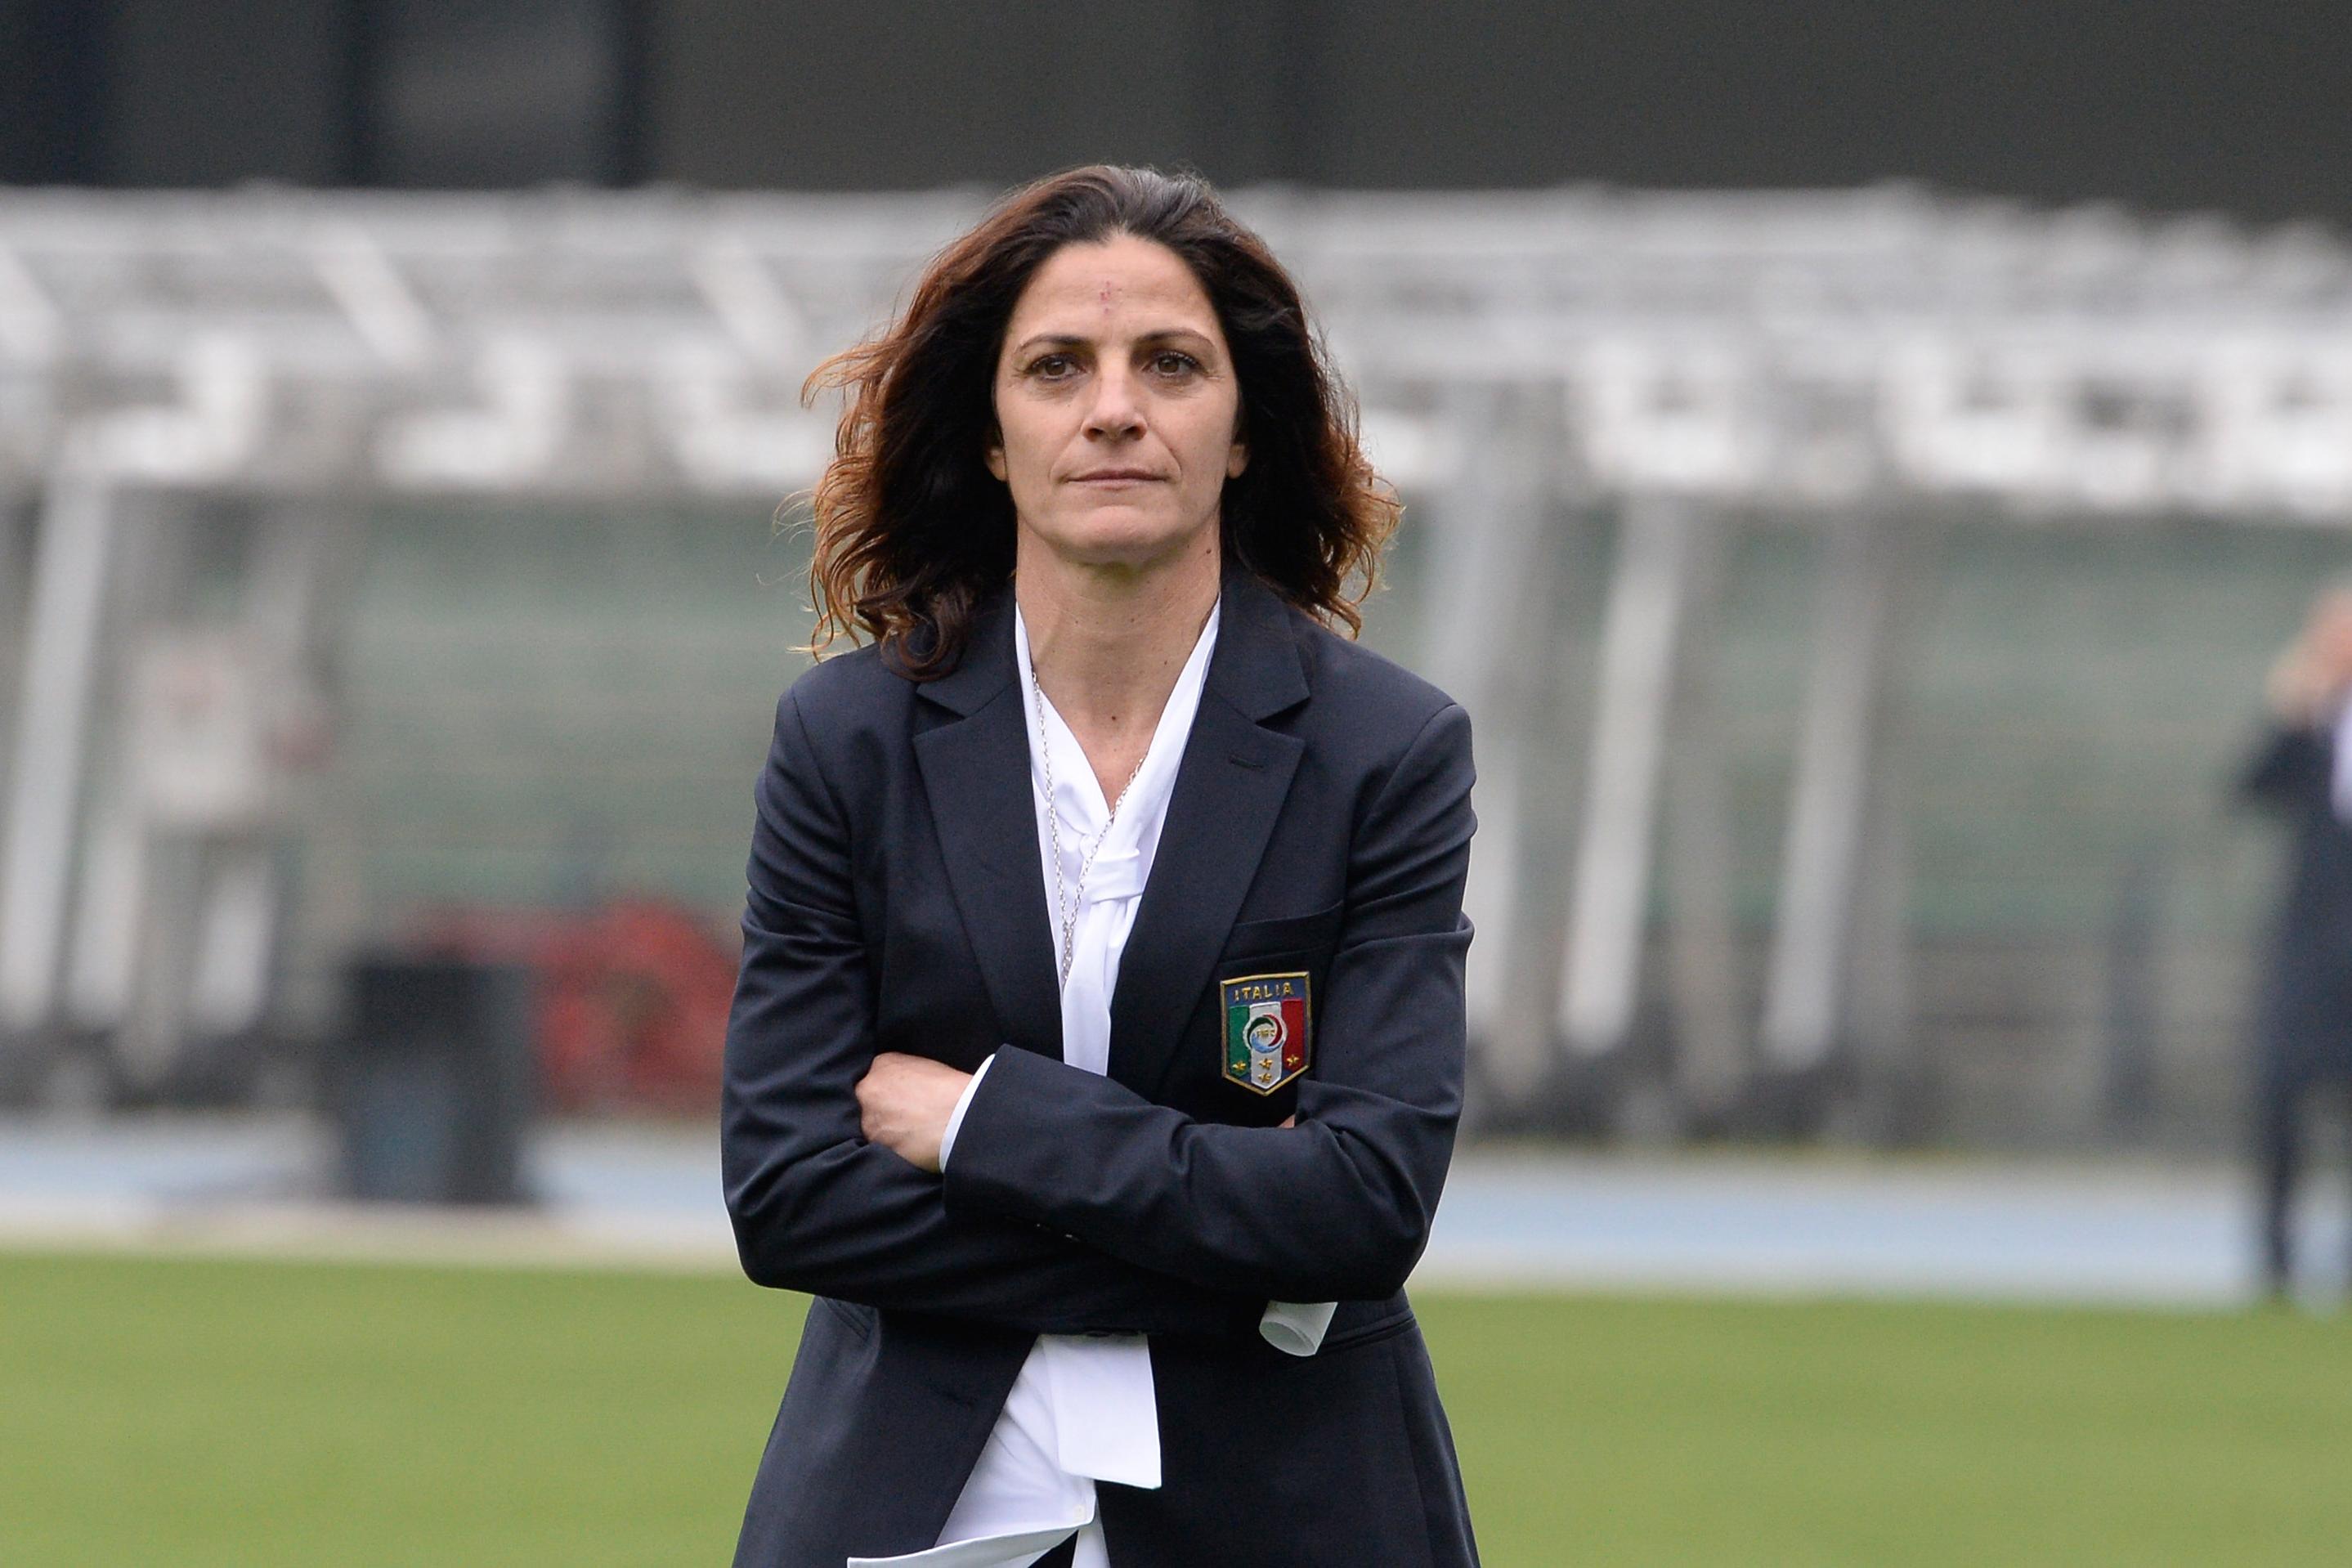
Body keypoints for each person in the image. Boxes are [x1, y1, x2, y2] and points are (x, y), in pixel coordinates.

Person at [720, 166, 1481, 1567]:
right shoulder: (847, 739)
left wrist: (977, 1128)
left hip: (1297, 1508)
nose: (1114, 407)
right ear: (996, 434)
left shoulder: (1387, 749)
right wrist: (1250, 1271)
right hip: (909, 1508)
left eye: (1171, 364)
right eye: (1058, 365)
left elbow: (1365, 1203)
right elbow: (787, 1192)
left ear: (1244, 428)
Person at [2237, 584, 2352, 1297]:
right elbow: (2252, 791)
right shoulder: (2310, 727)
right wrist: (2292, 711)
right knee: (2279, 1093)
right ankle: (2274, 1262)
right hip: (2311, 945)